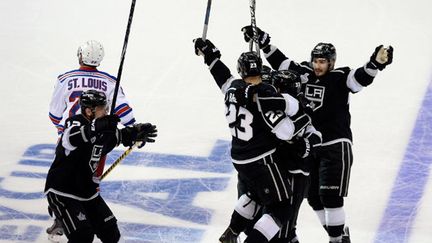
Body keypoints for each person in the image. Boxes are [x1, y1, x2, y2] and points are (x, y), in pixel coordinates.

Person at [241, 25, 394, 243]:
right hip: (312, 147)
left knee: (331, 198)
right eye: (315, 60)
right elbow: (282, 64)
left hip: (335, 145)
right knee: (313, 198)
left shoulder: (340, 77)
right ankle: (341, 236)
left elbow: (360, 78)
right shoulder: (304, 73)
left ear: (331, 62)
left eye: (322, 62)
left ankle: (337, 240)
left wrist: (375, 63)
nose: (317, 65)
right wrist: (263, 42)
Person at [193, 38, 319, 243]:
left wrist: (209, 56)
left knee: (254, 194)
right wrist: (303, 115)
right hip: (262, 160)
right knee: (282, 207)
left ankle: (231, 233)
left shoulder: (233, 87)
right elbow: (285, 132)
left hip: (239, 158)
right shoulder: (263, 94)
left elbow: (222, 77)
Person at [47, 40, 136, 238]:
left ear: (80, 55)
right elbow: (126, 114)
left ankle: (68, 217)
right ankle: (73, 217)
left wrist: (64, 131)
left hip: (71, 138)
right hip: (86, 138)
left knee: (78, 178)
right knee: (83, 175)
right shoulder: (110, 82)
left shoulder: (65, 79)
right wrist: (125, 128)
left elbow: (54, 115)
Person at [44, 90, 157, 243]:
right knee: (82, 236)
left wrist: (135, 132)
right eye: (102, 108)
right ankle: (63, 216)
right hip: (62, 190)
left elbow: (120, 136)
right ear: (89, 111)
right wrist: (95, 127)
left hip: (87, 192)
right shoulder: (75, 122)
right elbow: (71, 138)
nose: (106, 111)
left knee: (111, 234)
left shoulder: (104, 130)